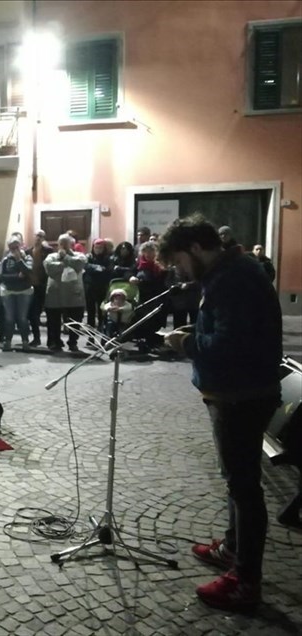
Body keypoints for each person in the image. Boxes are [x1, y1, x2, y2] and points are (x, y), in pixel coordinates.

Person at [159, 215, 283, 612]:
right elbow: (232, 328)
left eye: (179, 260)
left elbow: (229, 344)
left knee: (244, 489)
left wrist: (187, 342)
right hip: (234, 392)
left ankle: (245, 581)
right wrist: (199, 329)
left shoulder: (233, 279)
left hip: (240, 395)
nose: (179, 270)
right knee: (236, 483)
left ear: (196, 248)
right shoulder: (228, 273)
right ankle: (233, 549)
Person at [43, 234, 87, 352]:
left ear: (72, 245)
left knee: (75, 321)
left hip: (74, 295)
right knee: (53, 321)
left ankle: (73, 342)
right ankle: (54, 341)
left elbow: (79, 265)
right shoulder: (51, 256)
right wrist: (66, 264)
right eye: (61, 243)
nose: (63, 246)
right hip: (55, 294)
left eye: (66, 243)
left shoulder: (80, 256)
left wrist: (66, 258)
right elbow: (49, 269)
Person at [0, 236, 33, 352]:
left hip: (24, 291)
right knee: (9, 318)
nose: (14, 250)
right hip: (9, 291)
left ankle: (25, 342)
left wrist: (19, 260)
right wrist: (17, 276)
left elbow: (28, 271)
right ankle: (7, 341)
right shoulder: (5, 260)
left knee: (22, 318)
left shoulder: (27, 257)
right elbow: (2, 276)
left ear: (21, 246)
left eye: (16, 247)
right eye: (12, 248)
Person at [28, 230, 54, 347]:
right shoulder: (28, 251)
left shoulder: (48, 251)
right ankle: (36, 338)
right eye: (37, 236)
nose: (38, 238)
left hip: (45, 285)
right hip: (32, 286)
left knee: (50, 315)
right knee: (33, 314)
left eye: (41, 236)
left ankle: (51, 341)